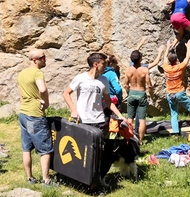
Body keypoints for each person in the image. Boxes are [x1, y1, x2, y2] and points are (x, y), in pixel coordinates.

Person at [63, 52, 125, 186]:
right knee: (82, 152)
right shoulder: (80, 78)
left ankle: (98, 178)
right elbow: (66, 93)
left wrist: (120, 116)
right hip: (84, 121)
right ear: (96, 64)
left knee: (100, 152)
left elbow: (108, 102)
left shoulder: (103, 80)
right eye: (104, 63)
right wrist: (73, 110)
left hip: (99, 120)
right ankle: (81, 178)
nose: (106, 65)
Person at [17, 48, 56, 186]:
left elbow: (21, 95)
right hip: (35, 115)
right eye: (42, 57)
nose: (45, 59)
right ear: (35, 60)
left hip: (23, 113)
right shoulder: (37, 72)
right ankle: (46, 180)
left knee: (26, 148)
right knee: (45, 149)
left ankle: (30, 178)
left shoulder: (22, 73)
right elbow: (43, 89)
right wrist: (45, 103)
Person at [162, 39, 190, 135]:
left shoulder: (166, 67)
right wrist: (188, 47)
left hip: (170, 94)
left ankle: (176, 133)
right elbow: (187, 58)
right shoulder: (179, 67)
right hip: (179, 93)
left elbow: (165, 58)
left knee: (174, 114)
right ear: (176, 60)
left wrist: (168, 47)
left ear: (169, 60)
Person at [124, 50, 154, 144]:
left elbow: (125, 84)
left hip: (132, 93)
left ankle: (128, 139)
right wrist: (152, 96)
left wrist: (129, 93)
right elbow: (149, 85)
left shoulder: (128, 70)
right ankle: (140, 141)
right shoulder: (145, 70)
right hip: (141, 93)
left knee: (129, 118)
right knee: (142, 119)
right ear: (141, 59)